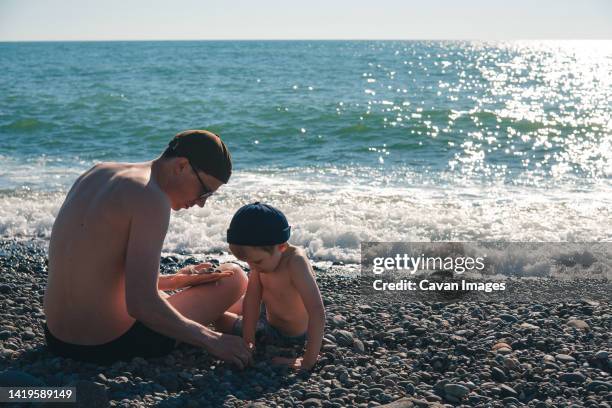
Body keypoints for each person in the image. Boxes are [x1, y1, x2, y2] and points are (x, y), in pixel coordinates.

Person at [43, 130, 253, 368]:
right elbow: (140, 304)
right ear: (182, 166)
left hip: (56, 336)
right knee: (234, 278)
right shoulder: (151, 197)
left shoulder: (98, 172)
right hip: (105, 345)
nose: (201, 202)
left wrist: (176, 280)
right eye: (204, 191)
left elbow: (94, 270)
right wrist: (212, 340)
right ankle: (242, 321)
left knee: (177, 291)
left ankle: (233, 317)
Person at [225, 202, 325, 370]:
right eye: (247, 262)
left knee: (220, 318)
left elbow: (317, 311)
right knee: (219, 310)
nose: (252, 267)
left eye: (256, 261)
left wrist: (308, 360)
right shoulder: (261, 262)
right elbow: (252, 301)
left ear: (281, 246)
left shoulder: (295, 262)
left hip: (289, 335)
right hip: (267, 316)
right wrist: (248, 342)